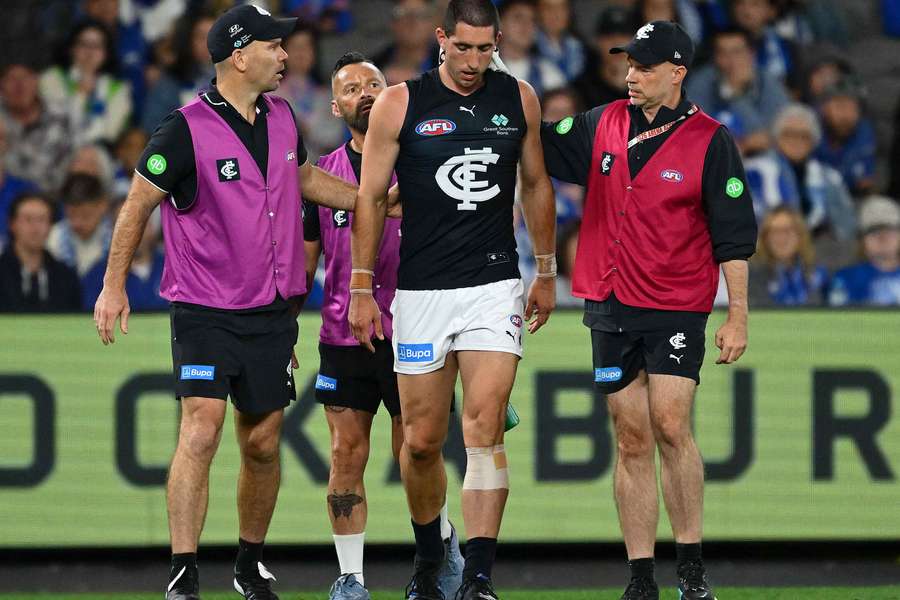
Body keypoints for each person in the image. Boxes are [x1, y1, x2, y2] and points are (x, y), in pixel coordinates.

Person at [92, 5, 376, 600]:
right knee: (202, 427)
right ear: (239, 55)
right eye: (275, 46)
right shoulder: (184, 127)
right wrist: (114, 284)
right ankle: (183, 572)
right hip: (205, 306)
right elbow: (137, 203)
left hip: (271, 309)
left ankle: (249, 563)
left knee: (263, 441)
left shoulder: (281, 114)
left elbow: (300, 179)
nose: (286, 56)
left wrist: (370, 201)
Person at [540, 20, 758, 600]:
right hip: (610, 301)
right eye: (627, 64)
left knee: (669, 424)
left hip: (675, 303)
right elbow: (533, 141)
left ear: (678, 73)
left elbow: (733, 237)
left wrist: (737, 314)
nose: (630, 75)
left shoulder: (712, 140)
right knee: (630, 434)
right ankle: (641, 576)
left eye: (643, 66)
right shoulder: (600, 122)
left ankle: (690, 569)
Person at [349, 1, 557, 599]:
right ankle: (429, 559)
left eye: (484, 49)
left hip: (493, 284)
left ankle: (481, 580)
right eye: (462, 48)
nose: (472, 61)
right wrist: (362, 287)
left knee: (485, 426)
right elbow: (369, 199)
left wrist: (545, 270)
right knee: (419, 442)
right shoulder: (400, 102)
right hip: (420, 290)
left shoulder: (518, 98)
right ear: (441, 39)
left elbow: (536, 182)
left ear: (497, 44)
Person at [303, 52, 464, 600]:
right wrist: (282, 335)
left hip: (417, 330)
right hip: (344, 334)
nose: (364, 93)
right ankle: (350, 579)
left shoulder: (424, 165)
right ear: (335, 106)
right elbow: (304, 267)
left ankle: (440, 543)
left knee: (416, 453)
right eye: (351, 88)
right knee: (347, 454)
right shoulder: (319, 178)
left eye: (374, 83)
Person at [743, 103, 856, 246]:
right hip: (762, 251)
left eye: (804, 136)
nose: (796, 140)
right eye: (789, 134)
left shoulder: (830, 178)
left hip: (816, 254)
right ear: (777, 138)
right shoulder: (753, 171)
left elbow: (846, 226)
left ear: (814, 141)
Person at [686, 27, 790, 156]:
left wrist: (735, 95)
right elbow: (692, 129)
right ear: (715, 57)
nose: (730, 60)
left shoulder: (766, 80)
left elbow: (781, 131)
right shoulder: (701, 81)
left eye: (737, 52)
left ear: (752, 54)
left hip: (763, 156)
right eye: (722, 53)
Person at [40, 19, 132, 145]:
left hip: (97, 155)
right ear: (71, 49)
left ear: (106, 54)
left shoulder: (118, 89)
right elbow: (54, 129)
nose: (90, 52)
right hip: (55, 150)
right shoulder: (52, 78)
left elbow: (110, 134)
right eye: (83, 44)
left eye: (97, 46)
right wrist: (81, 94)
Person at [0, 62, 74, 194]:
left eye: (26, 77)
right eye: (11, 79)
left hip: (57, 196)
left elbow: (77, 159)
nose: (20, 86)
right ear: (1, 85)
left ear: (37, 81)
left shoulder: (62, 115)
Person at [0, 192, 81, 312]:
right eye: (28, 219)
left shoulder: (66, 277)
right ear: (12, 224)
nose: (35, 227)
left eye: (42, 220)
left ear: (50, 226)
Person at [749, 206, 829, 307]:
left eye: (788, 230)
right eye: (775, 231)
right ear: (765, 238)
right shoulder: (751, 278)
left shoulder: (819, 274)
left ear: (800, 235)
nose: (782, 237)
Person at [829, 196, 900, 306]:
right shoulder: (845, 279)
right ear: (861, 241)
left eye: (889, 230)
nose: (883, 237)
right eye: (873, 231)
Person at [48, 173, 113, 277]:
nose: (77, 223)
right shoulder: (52, 238)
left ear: (102, 206)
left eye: (85, 215)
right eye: (72, 215)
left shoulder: (117, 236)